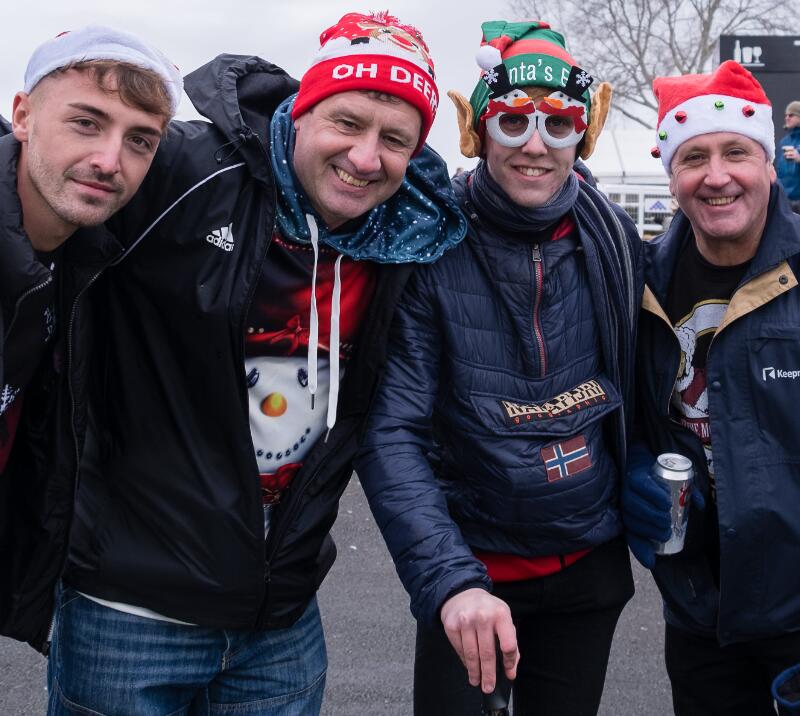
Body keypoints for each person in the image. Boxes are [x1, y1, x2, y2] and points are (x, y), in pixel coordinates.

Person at [46, 11, 465, 716]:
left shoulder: (404, 237)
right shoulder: (181, 168)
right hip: (129, 609)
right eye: (346, 122)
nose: (366, 158)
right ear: (302, 113)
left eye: (394, 139)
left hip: (281, 620)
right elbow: (44, 190)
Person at [355, 20, 642, 715]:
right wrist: (451, 582)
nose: (536, 146)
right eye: (512, 122)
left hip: (588, 570)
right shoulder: (428, 245)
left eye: (558, 124)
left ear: (586, 132)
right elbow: (391, 429)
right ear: (477, 129)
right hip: (473, 569)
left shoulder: (616, 237)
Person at [624, 60, 800, 715]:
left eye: (736, 153)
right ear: (671, 176)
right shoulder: (641, 284)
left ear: (769, 165)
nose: (717, 175)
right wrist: (637, 467)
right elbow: (634, 415)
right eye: (693, 156)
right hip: (699, 611)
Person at [0, 25, 179, 643]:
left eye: (139, 140)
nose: (110, 160)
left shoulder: (88, 261)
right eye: (85, 122)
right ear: (22, 116)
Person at [777, 100, 800, 212]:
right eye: (786, 115)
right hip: (786, 201)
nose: (787, 118)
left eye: (791, 115)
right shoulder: (784, 142)